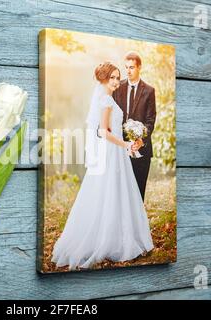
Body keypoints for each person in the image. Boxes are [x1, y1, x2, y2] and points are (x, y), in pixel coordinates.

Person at [51, 62, 154, 270]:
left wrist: (130, 137)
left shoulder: (105, 98)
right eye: (112, 78)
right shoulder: (106, 100)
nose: (116, 81)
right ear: (103, 79)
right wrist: (125, 143)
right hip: (112, 152)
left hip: (115, 152)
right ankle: (109, 240)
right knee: (109, 191)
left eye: (118, 77)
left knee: (115, 193)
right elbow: (103, 132)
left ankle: (115, 235)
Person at [113, 52, 156, 200]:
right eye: (126, 67)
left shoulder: (149, 91)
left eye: (132, 67)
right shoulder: (118, 87)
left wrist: (140, 140)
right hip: (120, 147)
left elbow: (151, 120)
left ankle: (138, 222)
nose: (128, 71)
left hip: (142, 149)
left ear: (139, 68)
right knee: (120, 190)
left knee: (138, 190)